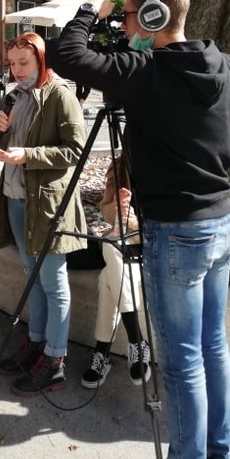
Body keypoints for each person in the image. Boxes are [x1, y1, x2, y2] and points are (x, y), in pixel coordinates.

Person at [46, 0, 230, 459]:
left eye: (127, 17)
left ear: (151, 18)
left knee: (184, 362)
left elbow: (65, 54)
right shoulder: (222, 63)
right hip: (221, 225)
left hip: (175, 235)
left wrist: (92, 10)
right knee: (214, 346)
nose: (123, 27)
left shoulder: (144, 72)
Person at [0, 32, 87, 396]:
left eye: (23, 63)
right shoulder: (16, 95)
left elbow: (75, 151)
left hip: (46, 203)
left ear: (42, 59)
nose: (16, 71)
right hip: (16, 197)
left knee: (53, 282)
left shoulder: (62, 95)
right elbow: (7, 144)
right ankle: (35, 342)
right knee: (32, 276)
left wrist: (29, 156)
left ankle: (55, 359)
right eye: (12, 64)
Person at [81, 154, 150, 389]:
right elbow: (107, 214)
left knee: (107, 275)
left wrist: (135, 223)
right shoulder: (122, 164)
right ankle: (137, 341)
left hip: (155, 246)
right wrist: (117, 209)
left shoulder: (165, 160)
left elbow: (173, 220)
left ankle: (102, 350)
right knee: (111, 248)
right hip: (124, 247)